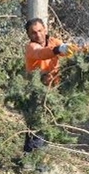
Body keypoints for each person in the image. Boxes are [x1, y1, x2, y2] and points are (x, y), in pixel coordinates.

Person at [22, 18, 73, 162]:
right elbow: (41, 53)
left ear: (45, 29)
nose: (37, 35)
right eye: (33, 33)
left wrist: (77, 48)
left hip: (52, 89)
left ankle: (28, 159)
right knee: (38, 124)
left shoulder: (54, 42)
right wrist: (58, 50)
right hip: (36, 90)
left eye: (39, 31)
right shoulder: (31, 47)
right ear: (29, 35)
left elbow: (67, 49)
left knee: (41, 125)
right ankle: (36, 161)